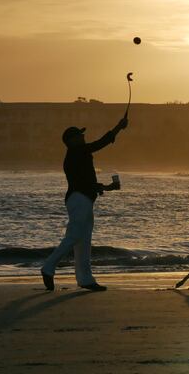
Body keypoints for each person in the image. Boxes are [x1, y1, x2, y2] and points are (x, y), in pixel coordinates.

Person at [41, 117, 128, 291]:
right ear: (71, 140)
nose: (83, 137)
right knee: (74, 237)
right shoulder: (77, 152)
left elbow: (86, 181)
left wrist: (106, 187)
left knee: (83, 240)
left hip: (83, 199)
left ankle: (85, 279)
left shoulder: (77, 154)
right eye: (79, 135)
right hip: (79, 199)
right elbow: (101, 143)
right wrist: (118, 127)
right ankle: (48, 268)